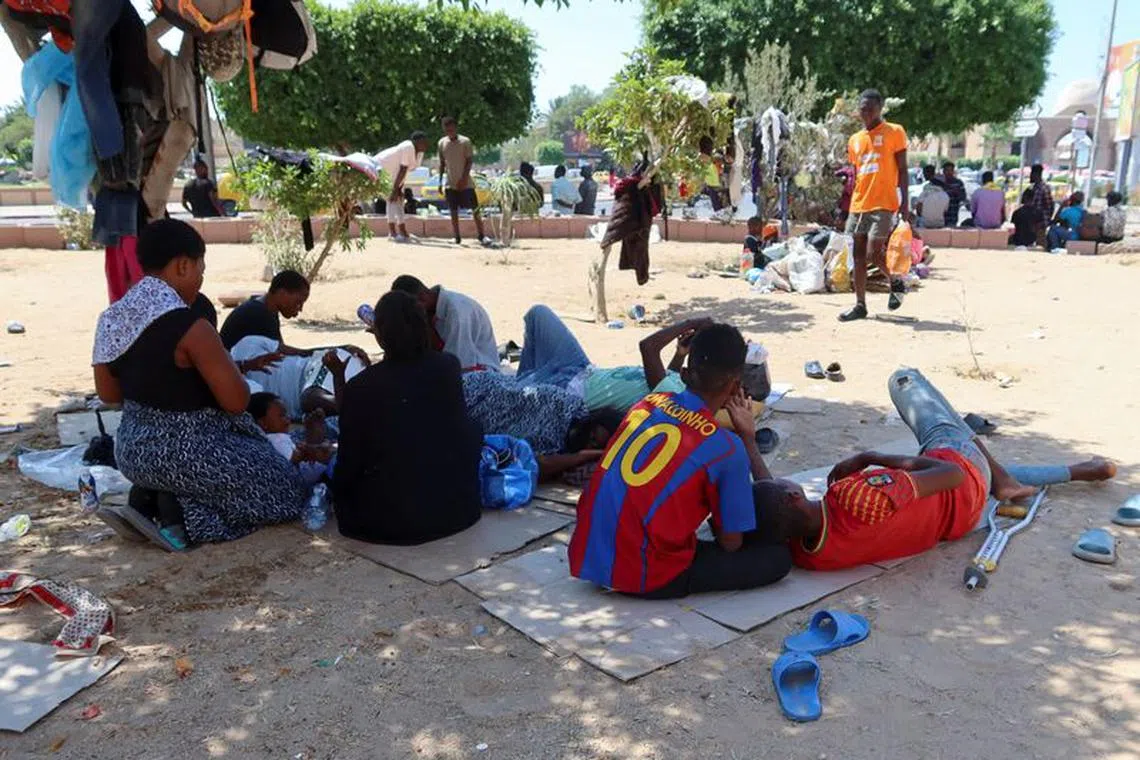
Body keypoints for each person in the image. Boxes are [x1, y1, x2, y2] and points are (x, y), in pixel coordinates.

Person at [747, 368, 1116, 571]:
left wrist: (749, 440)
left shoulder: (807, 553)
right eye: (786, 483)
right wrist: (870, 457)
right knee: (906, 382)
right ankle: (1000, 477)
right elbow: (949, 473)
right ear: (795, 496)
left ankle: (1067, 472)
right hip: (962, 479)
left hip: (957, 520)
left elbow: (770, 501)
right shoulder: (860, 495)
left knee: (972, 465)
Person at [92, 219, 306, 550]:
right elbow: (236, 401)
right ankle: (181, 511)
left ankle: (149, 496)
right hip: (187, 451)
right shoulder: (192, 327)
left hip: (131, 451)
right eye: (200, 271)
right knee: (287, 492)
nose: (200, 281)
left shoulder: (110, 319)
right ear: (182, 266)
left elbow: (109, 394)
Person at [569, 323, 792, 598]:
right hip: (644, 574)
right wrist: (747, 437)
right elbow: (731, 543)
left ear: (684, 374)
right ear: (736, 385)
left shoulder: (647, 404)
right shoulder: (726, 448)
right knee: (778, 559)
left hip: (587, 555)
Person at [332, 290, 483, 544]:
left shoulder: (364, 386)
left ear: (379, 335)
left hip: (395, 522)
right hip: (460, 508)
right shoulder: (447, 366)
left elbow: (350, 462)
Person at [840, 89, 909, 322]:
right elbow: (858, 174)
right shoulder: (855, 140)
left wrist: (905, 203)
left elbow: (903, 169)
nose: (866, 113)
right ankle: (860, 306)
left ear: (880, 108)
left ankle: (896, 281)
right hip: (859, 204)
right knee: (858, 256)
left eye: (870, 108)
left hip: (884, 203)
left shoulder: (895, 132)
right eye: (862, 109)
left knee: (873, 252)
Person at [230, 336, 370, 418]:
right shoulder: (233, 389)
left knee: (311, 399)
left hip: (322, 366)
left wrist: (345, 346)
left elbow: (302, 352)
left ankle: (361, 411)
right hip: (322, 394)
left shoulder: (246, 343)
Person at [390, 275, 500, 372]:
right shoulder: (429, 309)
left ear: (423, 298)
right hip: (451, 365)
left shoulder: (457, 312)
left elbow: (458, 363)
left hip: (478, 369)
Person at [247, 391, 333, 486]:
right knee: (329, 457)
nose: (288, 419)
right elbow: (295, 457)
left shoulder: (272, 438)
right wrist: (308, 448)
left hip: (303, 469)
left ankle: (316, 433)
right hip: (303, 477)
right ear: (263, 423)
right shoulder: (276, 439)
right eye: (282, 416)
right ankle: (316, 432)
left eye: (287, 414)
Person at [218, 270, 311, 352]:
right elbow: (279, 353)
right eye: (298, 302)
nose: (300, 309)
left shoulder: (266, 310)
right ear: (282, 294)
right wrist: (311, 354)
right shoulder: (258, 314)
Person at [438, 116, 490, 246]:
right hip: (450, 183)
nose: (449, 132)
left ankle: (482, 236)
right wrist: (440, 182)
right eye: (446, 129)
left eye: (451, 128)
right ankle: (456, 237)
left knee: (475, 210)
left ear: (455, 127)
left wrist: (464, 179)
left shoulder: (465, 142)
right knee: (453, 211)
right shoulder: (442, 143)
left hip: (466, 183)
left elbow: (469, 161)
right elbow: (442, 163)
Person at [375, 131, 429, 242]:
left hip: (395, 174)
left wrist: (399, 188)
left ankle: (403, 232)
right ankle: (392, 233)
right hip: (382, 169)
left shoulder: (419, 154)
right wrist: (395, 189)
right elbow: (403, 168)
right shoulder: (408, 146)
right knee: (392, 199)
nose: (426, 145)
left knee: (399, 200)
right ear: (416, 142)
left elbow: (406, 170)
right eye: (423, 142)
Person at [1029, 164, 1055, 246]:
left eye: (1031, 173)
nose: (1030, 176)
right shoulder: (1034, 188)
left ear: (1036, 174)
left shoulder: (1044, 188)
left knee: (1041, 242)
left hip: (1041, 221)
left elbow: (1050, 205)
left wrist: (1046, 219)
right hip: (1034, 219)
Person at [934, 161, 966, 227]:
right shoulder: (938, 184)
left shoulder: (959, 183)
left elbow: (963, 198)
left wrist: (957, 192)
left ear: (953, 171)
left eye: (951, 170)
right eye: (947, 170)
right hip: (940, 217)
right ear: (943, 171)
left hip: (953, 216)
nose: (949, 172)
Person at [698, 135, 724, 211]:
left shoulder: (704, 159)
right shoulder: (710, 160)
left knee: (717, 208)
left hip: (712, 184)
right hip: (714, 184)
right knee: (718, 207)